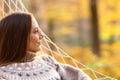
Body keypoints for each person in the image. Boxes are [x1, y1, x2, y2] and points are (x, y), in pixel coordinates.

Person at [0, 12, 92, 80]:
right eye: (36, 31)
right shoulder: (3, 74)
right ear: (19, 38)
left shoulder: (48, 61)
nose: (42, 35)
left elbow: (79, 76)